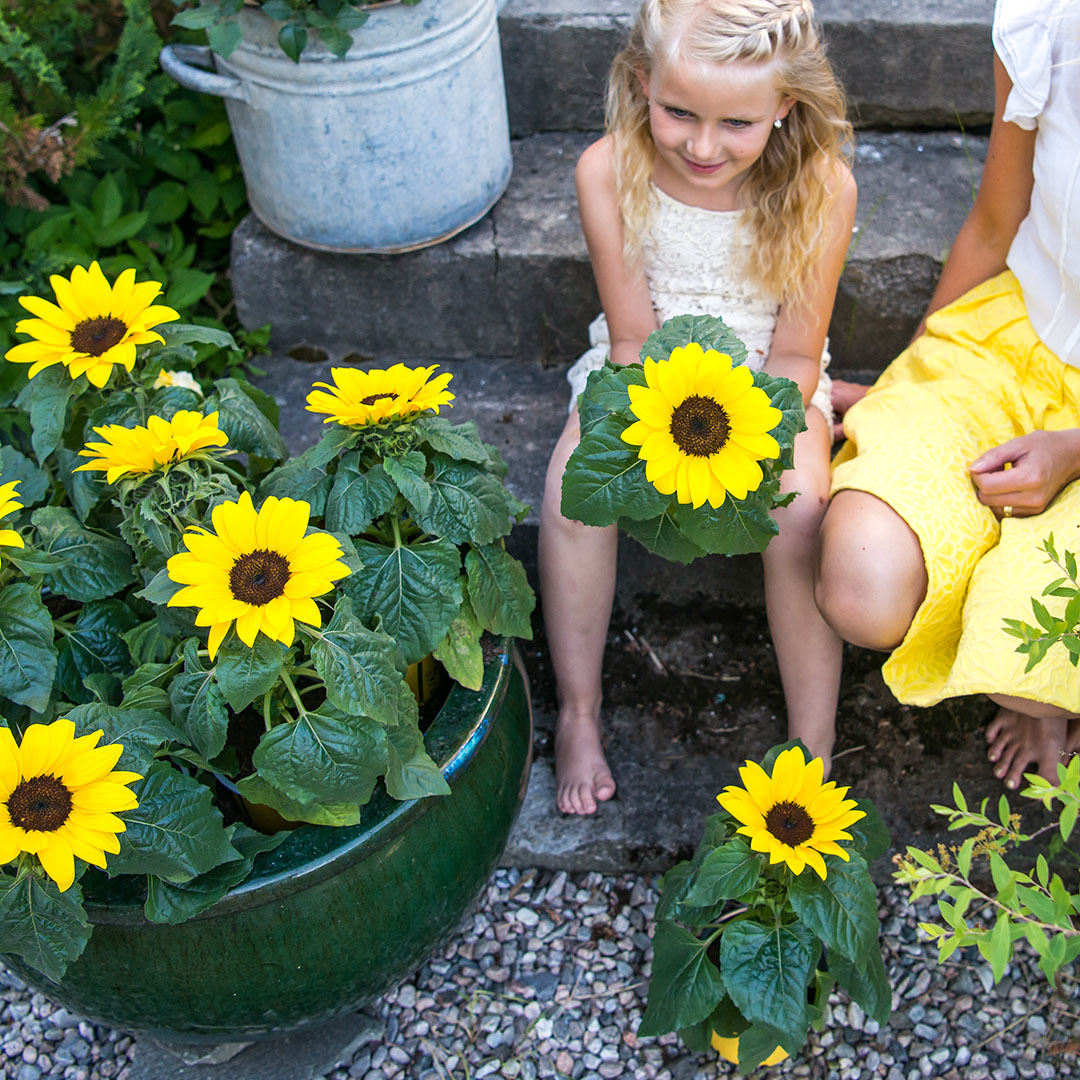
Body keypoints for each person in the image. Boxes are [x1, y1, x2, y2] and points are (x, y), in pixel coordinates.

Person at [538, 0, 857, 814]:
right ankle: (578, 710)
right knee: (573, 494)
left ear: (784, 105)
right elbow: (631, 339)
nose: (703, 146)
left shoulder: (821, 186)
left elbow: (794, 354)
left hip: (772, 381)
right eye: (679, 112)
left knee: (799, 510)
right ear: (643, 81)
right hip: (646, 372)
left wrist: (748, 444)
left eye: (737, 123)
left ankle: (813, 744)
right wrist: (668, 446)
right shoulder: (608, 170)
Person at [815, 0, 1080, 792]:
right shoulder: (1049, 21)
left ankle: (1042, 694)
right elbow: (997, 222)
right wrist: (912, 384)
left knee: (1030, 659)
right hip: (1009, 341)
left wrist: (1073, 452)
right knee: (862, 585)